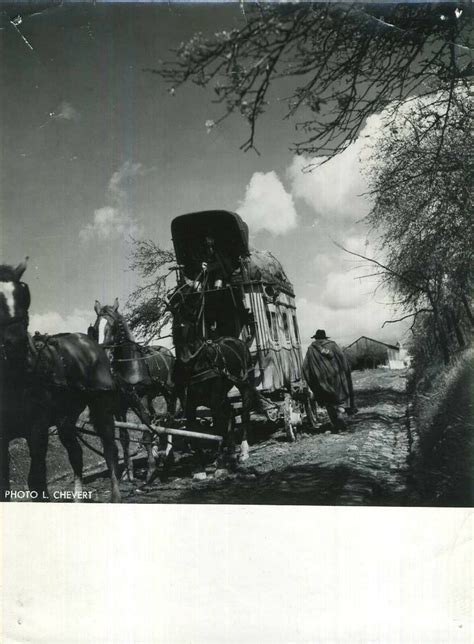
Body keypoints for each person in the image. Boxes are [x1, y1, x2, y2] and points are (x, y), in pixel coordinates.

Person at [303, 329, 357, 432]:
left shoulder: (311, 349)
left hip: (321, 380)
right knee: (338, 400)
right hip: (336, 377)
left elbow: (305, 367)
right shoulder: (332, 345)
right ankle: (341, 423)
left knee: (329, 402)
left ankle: (336, 426)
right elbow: (342, 359)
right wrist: (345, 372)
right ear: (325, 337)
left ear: (315, 338)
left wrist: (312, 381)